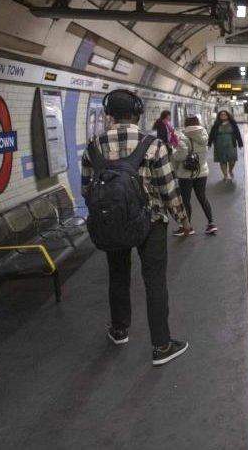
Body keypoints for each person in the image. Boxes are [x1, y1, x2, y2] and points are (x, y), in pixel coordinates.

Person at [81, 89, 191, 366]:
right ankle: (162, 345)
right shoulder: (152, 145)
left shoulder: (93, 147)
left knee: (117, 275)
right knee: (154, 281)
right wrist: (183, 219)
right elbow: (168, 188)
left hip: (112, 222)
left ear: (109, 114)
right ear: (138, 112)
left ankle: (119, 330)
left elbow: (87, 191)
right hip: (151, 221)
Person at [171, 115, 217, 236]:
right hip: (201, 171)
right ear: (198, 123)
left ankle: (187, 227)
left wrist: (173, 152)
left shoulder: (183, 136)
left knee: (186, 200)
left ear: (185, 123)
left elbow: (180, 156)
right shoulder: (204, 134)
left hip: (186, 174)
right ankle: (211, 224)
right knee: (202, 198)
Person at [208, 110, 243, 181]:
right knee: (222, 160)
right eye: (221, 115)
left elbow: (237, 133)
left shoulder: (233, 123)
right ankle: (225, 175)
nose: (223, 116)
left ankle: (230, 170)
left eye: (224, 114)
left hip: (231, 143)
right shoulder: (216, 124)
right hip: (219, 144)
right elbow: (212, 134)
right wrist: (209, 143)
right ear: (219, 116)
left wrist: (240, 143)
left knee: (232, 160)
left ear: (228, 115)